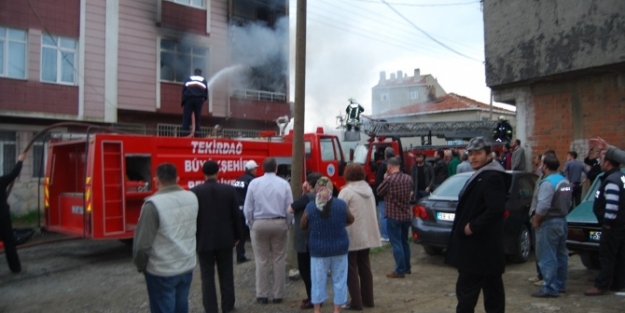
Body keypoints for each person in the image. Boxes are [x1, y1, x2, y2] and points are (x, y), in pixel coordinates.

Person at [445, 137, 510, 313]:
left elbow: (495, 210)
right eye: (471, 154)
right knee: (492, 292)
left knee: (469, 295)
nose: (473, 158)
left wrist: (472, 227)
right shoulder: (482, 174)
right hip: (482, 251)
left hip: (479, 249)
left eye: (478, 153)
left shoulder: (492, 176)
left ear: (489, 155)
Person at [133, 163, 198, 313]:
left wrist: (141, 265)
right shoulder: (192, 197)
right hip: (186, 265)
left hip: (162, 270)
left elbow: (142, 245)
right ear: (177, 178)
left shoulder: (152, 204)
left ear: (156, 180)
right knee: (182, 307)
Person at [192, 161, 243, 313]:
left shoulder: (195, 191)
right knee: (226, 273)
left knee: (207, 276)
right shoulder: (228, 190)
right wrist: (238, 235)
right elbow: (236, 214)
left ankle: (210, 308)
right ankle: (228, 306)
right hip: (225, 238)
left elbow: (193, 217)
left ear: (203, 173)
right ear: (218, 172)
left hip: (203, 239)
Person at [301, 177, 354, 313]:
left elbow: (303, 225)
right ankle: (336, 310)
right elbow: (351, 219)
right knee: (339, 280)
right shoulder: (341, 204)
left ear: (317, 189)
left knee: (318, 281)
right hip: (340, 247)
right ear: (330, 188)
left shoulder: (311, 206)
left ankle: (317, 310)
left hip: (318, 249)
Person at [243, 157, 293, 304]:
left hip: (259, 223)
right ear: (276, 168)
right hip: (279, 222)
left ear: (262, 168)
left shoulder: (254, 183)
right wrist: (288, 222)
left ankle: (262, 294)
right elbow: (289, 207)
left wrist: (250, 222)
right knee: (278, 259)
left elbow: (248, 207)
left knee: (261, 260)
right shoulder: (284, 184)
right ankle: (278, 295)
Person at [338, 164, 381, 310]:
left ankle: (356, 302)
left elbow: (339, 212)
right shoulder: (368, 190)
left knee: (351, 268)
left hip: (352, 233)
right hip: (367, 233)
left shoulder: (346, 192)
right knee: (365, 266)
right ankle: (368, 299)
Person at [584, 150, 625, 296]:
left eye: (602, 159)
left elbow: (612, 204)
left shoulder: (612, 180)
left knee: (606, 255)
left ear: (608, 162)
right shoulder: (621, 177)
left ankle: (601, 285)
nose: (600, 162)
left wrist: (607, 222)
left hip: (612, 225)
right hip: (620, 224)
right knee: (619, 254)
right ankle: (618, 283)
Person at [531, 155, 572, 298]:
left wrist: (536, 221)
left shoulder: (547, 183)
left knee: (547, 255)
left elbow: (543, 206)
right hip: (562, 220)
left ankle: (549, 287)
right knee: (561, 254)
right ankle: (560, 284)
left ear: (545, 166)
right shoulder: (564, 181)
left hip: (548, 223)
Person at [288, 172, 322, 310]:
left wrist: (304, 193)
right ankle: (317, 297)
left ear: (310, 185)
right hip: (317, 237)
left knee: (306, 271)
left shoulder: (307, 197)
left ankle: (313, 299)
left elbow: (290, 209)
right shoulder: (323, 197)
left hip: (304, 239)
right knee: (316, 270)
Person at [377, 157, 413, 279]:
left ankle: (400, 270)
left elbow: (379, 191)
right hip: (406, 214)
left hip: (394, 215)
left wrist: (385, 179)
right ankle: (407, 267)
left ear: (389, 167)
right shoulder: (408, 178)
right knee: (404, 242)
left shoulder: (390, 180)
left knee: (396, 243)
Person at [0, 152, 27, 273]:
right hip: (3, 218)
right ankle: (15, 268)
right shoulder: (1, 181)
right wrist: (20, 161)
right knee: (9, 243)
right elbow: (14, 174)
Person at [234, 160, 258, 264]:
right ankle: (258, 254)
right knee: (254, 232)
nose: (257, 170)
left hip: (238, 209)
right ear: (252, 169)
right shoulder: (252, 181)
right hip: (247, 209)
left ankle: (240, 255)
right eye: (256, 168)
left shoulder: (239, 179)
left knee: (241, 234)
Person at [374, 147, 395, 242]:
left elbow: (378, 181)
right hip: (394, 194)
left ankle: (385, 235)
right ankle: (392, 234)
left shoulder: (383, 165)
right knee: (393, 215)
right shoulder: (397, 164)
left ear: (385, 155)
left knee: (383, 215)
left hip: (384, 195)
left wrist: (377, 194)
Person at [181, 68, 208, 137]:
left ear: (194, 73)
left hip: (189, 99)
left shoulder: (188, 79)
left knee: (186, 118)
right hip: (199, 100)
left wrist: (184, 101)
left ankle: (184, 134)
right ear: (201, 73)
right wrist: (202, 100)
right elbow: (206, 94)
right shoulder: (203, 80)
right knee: (197, 118)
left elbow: (184, 90)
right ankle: (197, 135)